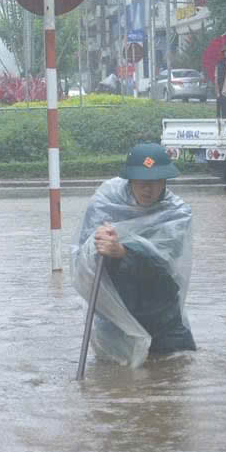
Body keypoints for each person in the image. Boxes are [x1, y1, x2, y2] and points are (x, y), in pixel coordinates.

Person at [71, 143, 196, 367]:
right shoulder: (105, 204)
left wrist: (123, 252)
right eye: (142, 183)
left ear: (165, 182)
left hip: (161, 313)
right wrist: (95, 244)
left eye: (155, 182)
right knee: (114, 375)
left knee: (177, 367)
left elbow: (163, 265)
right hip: (115, 316)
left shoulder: (176, 214)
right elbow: (82, 262)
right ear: (131, 181)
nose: (148, 190)